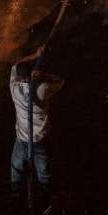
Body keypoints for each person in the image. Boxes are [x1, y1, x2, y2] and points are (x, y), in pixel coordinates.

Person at [9, 47, 64, 197]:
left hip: (21, 139)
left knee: (16, 168)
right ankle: (45, 195)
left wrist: (35, 54)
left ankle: (15, 195)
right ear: (31, 74)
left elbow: (16, 65)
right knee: (44, 173)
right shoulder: (42, 89)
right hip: (39, 139)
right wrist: (43, 75)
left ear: (20, 77)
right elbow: (60, 81)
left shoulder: (13, 86)